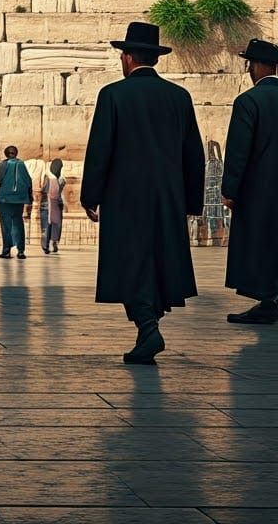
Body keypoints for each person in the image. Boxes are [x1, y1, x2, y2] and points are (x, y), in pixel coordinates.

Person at [81, 22, 205, 365]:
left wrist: (90, 194)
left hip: (124, 198)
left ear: (128, 57)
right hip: (168, 198)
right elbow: (194, 155)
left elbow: (100, 149)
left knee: (129, 261)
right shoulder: (179, 97)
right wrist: (191, 202)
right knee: (158, 261)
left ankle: (148, 326)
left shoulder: (113, 95)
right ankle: (148, 327)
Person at [221, 38, 278, 325]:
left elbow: (238, 151)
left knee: (260, 245)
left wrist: (229, 190)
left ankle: (268, 301)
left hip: (260, 192)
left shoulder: (248, 102)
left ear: (254, 66)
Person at [0, 146, 33, 259]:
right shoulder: (21, 164)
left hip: (4, 199)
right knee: (18, 223)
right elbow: (28, 180)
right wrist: (29, 197)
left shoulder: (3, 164)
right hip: (19, 200)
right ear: (16, 153)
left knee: (6, 225)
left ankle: (7, 250)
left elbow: (0, 180)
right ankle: (21, 250)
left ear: (6, 154)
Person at [41, 159, 67, 255]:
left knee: (47, 225)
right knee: (56, 225)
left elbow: (43, 189)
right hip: (57, 204)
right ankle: (54, 242)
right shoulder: (61, 179)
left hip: (46, 204)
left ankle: (46, 245)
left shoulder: (47, 178)